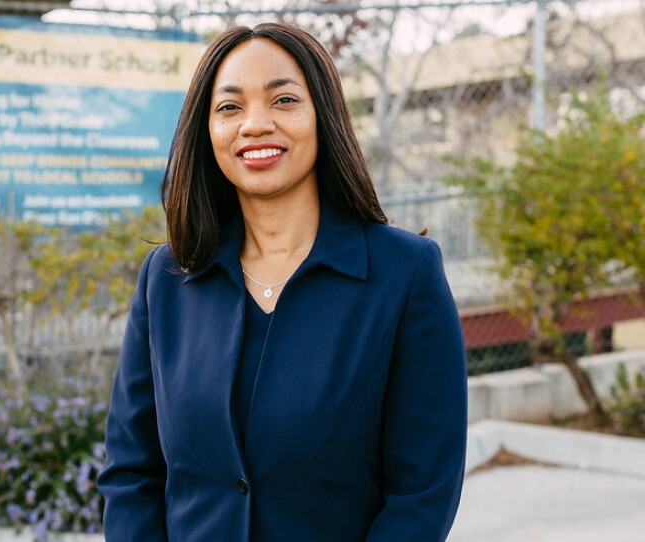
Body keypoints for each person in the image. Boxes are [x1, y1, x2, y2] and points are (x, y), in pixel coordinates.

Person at [97, 22, 468, 542]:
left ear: (324, 117)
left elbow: (422, 493)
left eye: (284, 100)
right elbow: (131, 474)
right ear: (207, 132)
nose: (254, 124)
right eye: (229, 107)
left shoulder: (405, 274)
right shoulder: (167, 278)